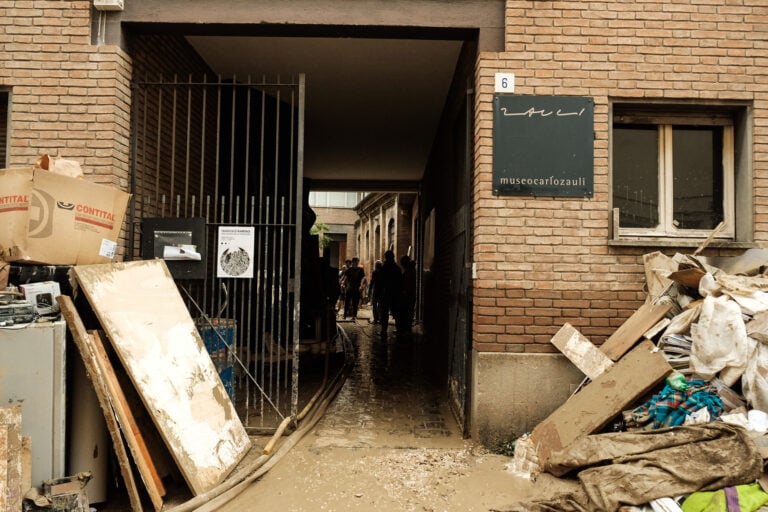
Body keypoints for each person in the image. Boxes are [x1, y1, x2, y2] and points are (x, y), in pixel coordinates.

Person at [377, 250, 401, 336]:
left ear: (386, 257)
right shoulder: (397, 268)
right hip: (395, 293)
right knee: (396, 312)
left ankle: (384, 331)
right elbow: (400, 282)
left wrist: (379, 293)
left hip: (386, 293)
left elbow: (380, 282)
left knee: (384, 312)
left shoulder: (384, 268)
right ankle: (399, 329)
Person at [398, 255, 417, 334]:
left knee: (407, 312)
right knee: (409, 312)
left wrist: (404, 292)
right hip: (411, 295)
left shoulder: (408, 272)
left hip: (408, 295)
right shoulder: (411, 270)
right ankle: (407, 329)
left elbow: (407, 284)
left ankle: (406, 330)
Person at [368, 259, 383, 324]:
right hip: (382, 291)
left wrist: (369, 290)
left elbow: (372, 282)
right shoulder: (383, 272)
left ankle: (376, 319)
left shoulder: (375, 272)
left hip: (376, 290)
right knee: (380, 305)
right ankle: (380, 319)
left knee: (374, 305)